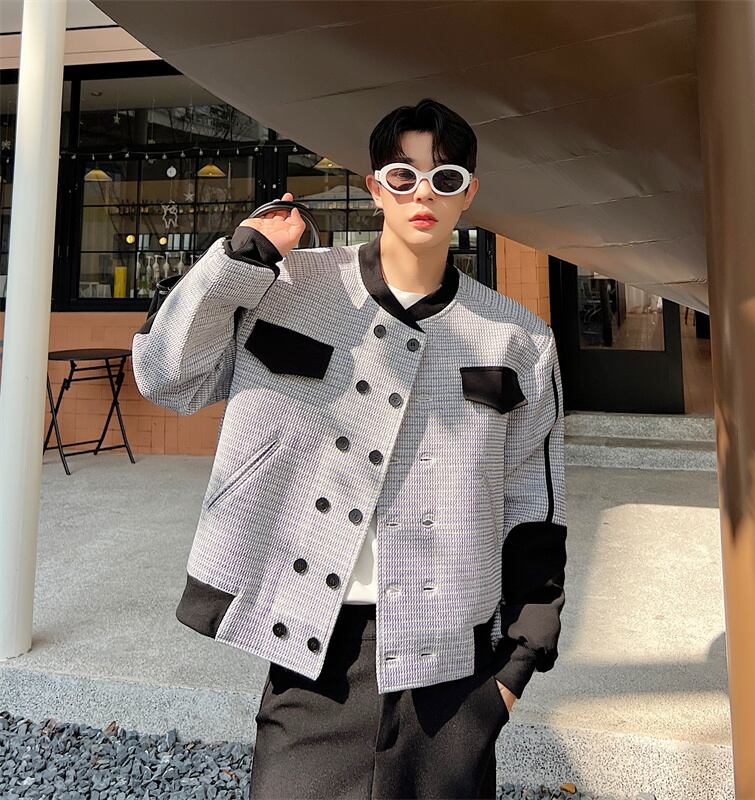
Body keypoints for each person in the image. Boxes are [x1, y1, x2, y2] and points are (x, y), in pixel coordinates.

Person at [131, 97, 567, 800]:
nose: (423, 193)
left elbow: (535, 507)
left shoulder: (519, 337)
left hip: (453, 664)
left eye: (445, 178)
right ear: (374, 187)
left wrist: (515, 672)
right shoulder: (285, 288)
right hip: (311, 646)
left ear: (469, 194)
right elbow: (166, 379)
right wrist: (237, 262)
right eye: (403, 175)